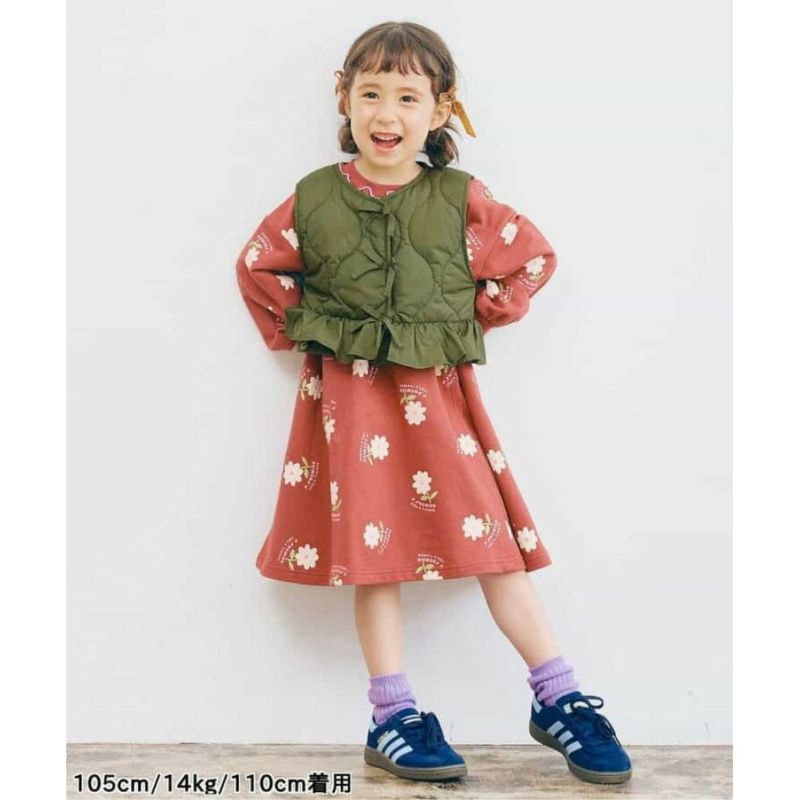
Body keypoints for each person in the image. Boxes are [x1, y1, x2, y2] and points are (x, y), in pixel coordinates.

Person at [235, 20, 632, 787]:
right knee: (374, 558)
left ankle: (559, 697)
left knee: (496, 549)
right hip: (351, 406)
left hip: (440, 404)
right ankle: (392, 716)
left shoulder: (459, 198)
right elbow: (257, 265)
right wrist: (316, 328)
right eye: (371, 93)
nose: (386, 113)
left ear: (441, 108)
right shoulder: (314, 198)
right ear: (344, 98)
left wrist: (465, 317)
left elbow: (532, 256)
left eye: (407, 97)